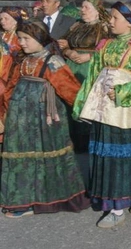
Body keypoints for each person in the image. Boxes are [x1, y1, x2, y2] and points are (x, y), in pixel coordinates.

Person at [72, 1, 131, 228]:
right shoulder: (103, 45)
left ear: (130, 22)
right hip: (104, 108)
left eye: (114, 18)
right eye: (110, 17)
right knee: (108, 155)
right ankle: (115, 204)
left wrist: (124, 91)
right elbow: (92, 76)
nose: (110, 22)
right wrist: (82, 104)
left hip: (128, 110)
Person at [0, 20, 89, 218]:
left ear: (39, 38)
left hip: (44, 120)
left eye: (26, 38)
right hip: (20, 120)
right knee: (23, 159)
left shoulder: (52, 61)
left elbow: (70, 89)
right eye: (20, 38)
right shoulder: (22, 60)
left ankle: (41, 201)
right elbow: (10, 87)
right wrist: (5, 112)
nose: (22, 42)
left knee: (42, 158)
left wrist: (87, 111)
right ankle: (20, 199)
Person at [59, 0, 110, 84]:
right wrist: (68, 52)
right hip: (71, 67)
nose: (82, 10)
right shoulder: (76, 26)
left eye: (86, 7)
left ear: (97, 11)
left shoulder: (104, 28)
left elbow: (109, 50)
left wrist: (90, 56)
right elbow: (61, 42)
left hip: (90, 68)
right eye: (82, 7)